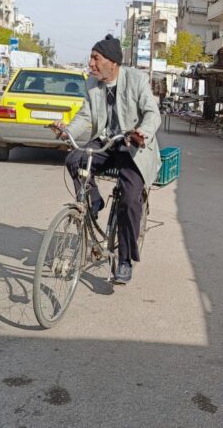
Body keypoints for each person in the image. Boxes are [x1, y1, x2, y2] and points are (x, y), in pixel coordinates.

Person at [51, 34, 161, 284]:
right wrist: (67, 130)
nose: (90, 64)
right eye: (91, 58)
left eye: (95, 58)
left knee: (130, 199)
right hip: (107, 144)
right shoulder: (92, 84)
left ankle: (124, 259)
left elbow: (152, 113)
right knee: (74, 159)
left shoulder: (136, 79)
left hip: (133, 147)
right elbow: (85, 116)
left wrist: (142, 132)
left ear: (112, 62)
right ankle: (94, 201)